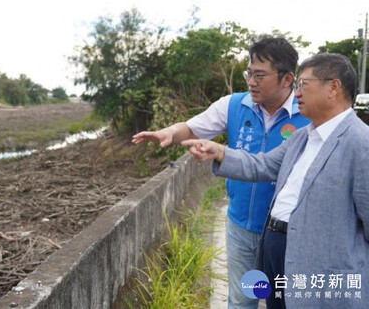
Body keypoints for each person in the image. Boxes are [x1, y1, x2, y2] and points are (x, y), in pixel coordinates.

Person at [132, 36, 310, 308]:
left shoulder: (308, 114)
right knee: (242, 299)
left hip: (290, 231)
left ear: (287, 79)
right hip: (241, 225)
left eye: (260, 75)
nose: (251, 82)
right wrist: (168, 132)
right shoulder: (234, 105)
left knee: (288, 299)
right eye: (249, 73)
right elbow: (192, 128)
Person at [182, 53, 369, 308]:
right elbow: (264, 164)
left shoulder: (361, 143)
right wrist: (220, 152)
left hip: (319, 267)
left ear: (333, 87)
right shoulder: (303, 136)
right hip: (276, 251)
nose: (297, 92)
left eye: (303, 84)